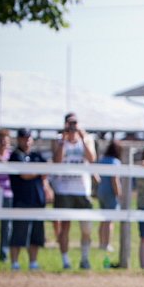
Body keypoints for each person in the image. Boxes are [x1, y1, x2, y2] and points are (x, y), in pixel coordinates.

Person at [52, 112, 97, 269]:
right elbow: (56, 161)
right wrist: (64, 141)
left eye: (74, 123)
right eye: (69, 123)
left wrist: (82, 138)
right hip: (63, 190)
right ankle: (65, 261)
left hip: (82, 190)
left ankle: (85, 259)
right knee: (64, 227)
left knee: (86, 228)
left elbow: (92, 158)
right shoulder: (59, 140)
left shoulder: (87, 139)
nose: (72, 126)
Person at [8, 129, 52, 270]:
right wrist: (40, 170)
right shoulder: (15, 156)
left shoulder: (36, 156)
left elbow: (47, 169)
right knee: (19, 232)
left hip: (37, 198)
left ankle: (33, 262)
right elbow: (25, 175)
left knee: (36, 233)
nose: (26, 141)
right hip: (22, 199)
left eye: (28, 138)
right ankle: (14, 262)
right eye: (23, 138)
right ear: (19, 139)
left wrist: (46, 187)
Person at [96, 140, 122, 257]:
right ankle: (106, 244)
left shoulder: (102, 160)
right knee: (109, 220)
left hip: (101, 191)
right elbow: (114, 179)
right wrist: (119, 193)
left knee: (102, 219)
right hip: (110, 193)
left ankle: (101, 243)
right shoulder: (115, 162)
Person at [0, 129, 13, 262]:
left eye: (5, 140)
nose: (3, 143)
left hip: (8, 194)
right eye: (1, 140)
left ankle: (4, 254)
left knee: (7, 225)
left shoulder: (11, 157)